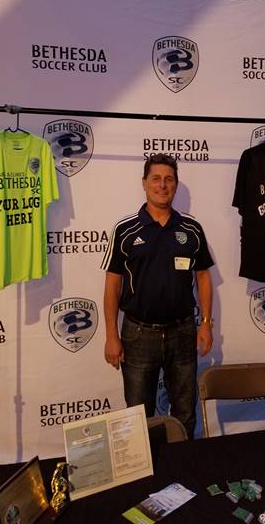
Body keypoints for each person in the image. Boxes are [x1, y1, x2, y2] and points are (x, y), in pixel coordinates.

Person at [101, 153, 214, 438]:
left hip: (183, 331)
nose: (162, 185)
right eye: (156, 179)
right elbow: (112, 285)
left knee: (185, 411)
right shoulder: (125, 229)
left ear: (175, 185)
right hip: (138, 334)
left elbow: (203, 276)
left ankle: (185, 467)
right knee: (138, 413)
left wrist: (206, 324)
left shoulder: (192, 228)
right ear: (144, 183)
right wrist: (111, 336)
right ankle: (144, 475)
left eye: (169, 179)